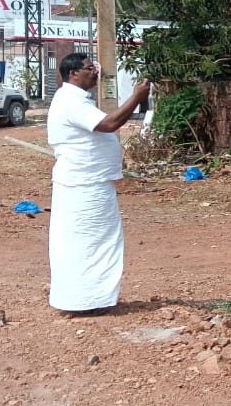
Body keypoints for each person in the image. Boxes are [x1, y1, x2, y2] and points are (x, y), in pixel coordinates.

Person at [46, 53, 152, 316]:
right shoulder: (71, 102)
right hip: (85, 184)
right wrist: (136, 97)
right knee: (91, 243)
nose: (95, 72)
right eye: (89, 68)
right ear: (73, 74)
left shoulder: (73, 99)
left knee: (87, 242)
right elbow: (109, 123)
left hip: (85, 182)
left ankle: (86, 300)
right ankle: (87, 302)